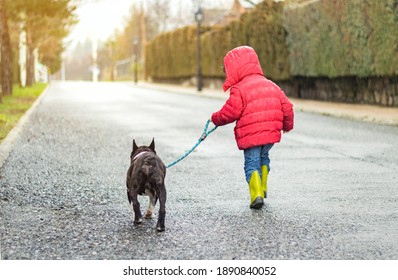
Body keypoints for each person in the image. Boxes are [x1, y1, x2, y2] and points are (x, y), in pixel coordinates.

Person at [210, 46, 294, 209]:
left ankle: (256, 195)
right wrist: (287, 126)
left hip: (250, 136)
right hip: (270, 134)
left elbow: (230, 112)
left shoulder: (239, 89)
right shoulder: (271, 85)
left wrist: (215, 118)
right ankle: (262, 187)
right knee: (264, 158)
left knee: (252, 162)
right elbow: (288, 107)